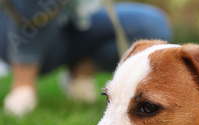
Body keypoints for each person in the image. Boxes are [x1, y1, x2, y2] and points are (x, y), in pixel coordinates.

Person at [0, 0, 172, 116]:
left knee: (153, 24)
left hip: (77, 21)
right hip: (12, 32)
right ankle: (23, 85)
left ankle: (78, 72)